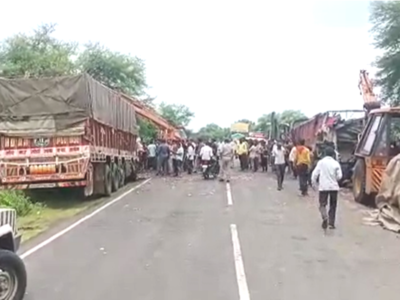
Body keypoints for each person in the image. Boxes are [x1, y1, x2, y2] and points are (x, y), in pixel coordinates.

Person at [311, 146, 343, 230]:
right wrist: (335, 179)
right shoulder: (336, 163)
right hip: (334, 187)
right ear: (333, 155)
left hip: (323, 187)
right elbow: (340, 176)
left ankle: (325, 217)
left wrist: (314, 184)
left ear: (324, 154)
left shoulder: (321, 162)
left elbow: (314, 174)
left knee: (322, 204)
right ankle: (331, 224)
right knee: (333, 205)